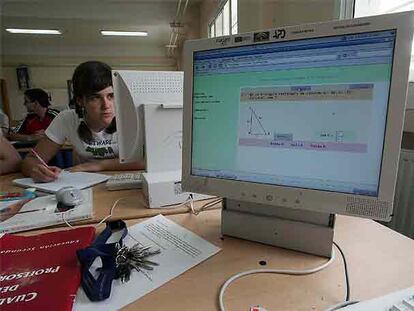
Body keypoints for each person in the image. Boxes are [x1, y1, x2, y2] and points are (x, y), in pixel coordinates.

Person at [21, 61, 143, 182]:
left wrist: (99, 165)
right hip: (87, 184)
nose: (106, 105)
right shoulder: (67, 119)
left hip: (130, 181)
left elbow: (151, 160)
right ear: (80, 101)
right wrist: (35, 170)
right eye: (95, 98)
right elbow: (30, 160)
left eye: (111, 96)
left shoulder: (133, 116)